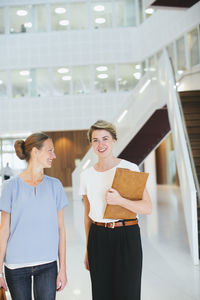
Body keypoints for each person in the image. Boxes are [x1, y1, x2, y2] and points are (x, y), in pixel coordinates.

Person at [80, 120, 152, 300]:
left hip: (126, 235)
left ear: (113, 140)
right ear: (91, 144)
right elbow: (87, 216)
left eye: (105, 138)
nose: (100, 144)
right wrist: (88, 249)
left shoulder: (129, 168)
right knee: (101, 294)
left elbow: (147, 207)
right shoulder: (86, 175)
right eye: (95, 140)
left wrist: (120, 200)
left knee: (128, 293)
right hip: (98, 237)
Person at [0, 133, 68, 300]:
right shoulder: (10, 187)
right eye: (50, 151)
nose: (54, 155)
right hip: (15, 266)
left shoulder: (55, 185)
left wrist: (63, 268)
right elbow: (3, 231)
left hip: (47, 265)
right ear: (35, 152)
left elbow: (61, 229)